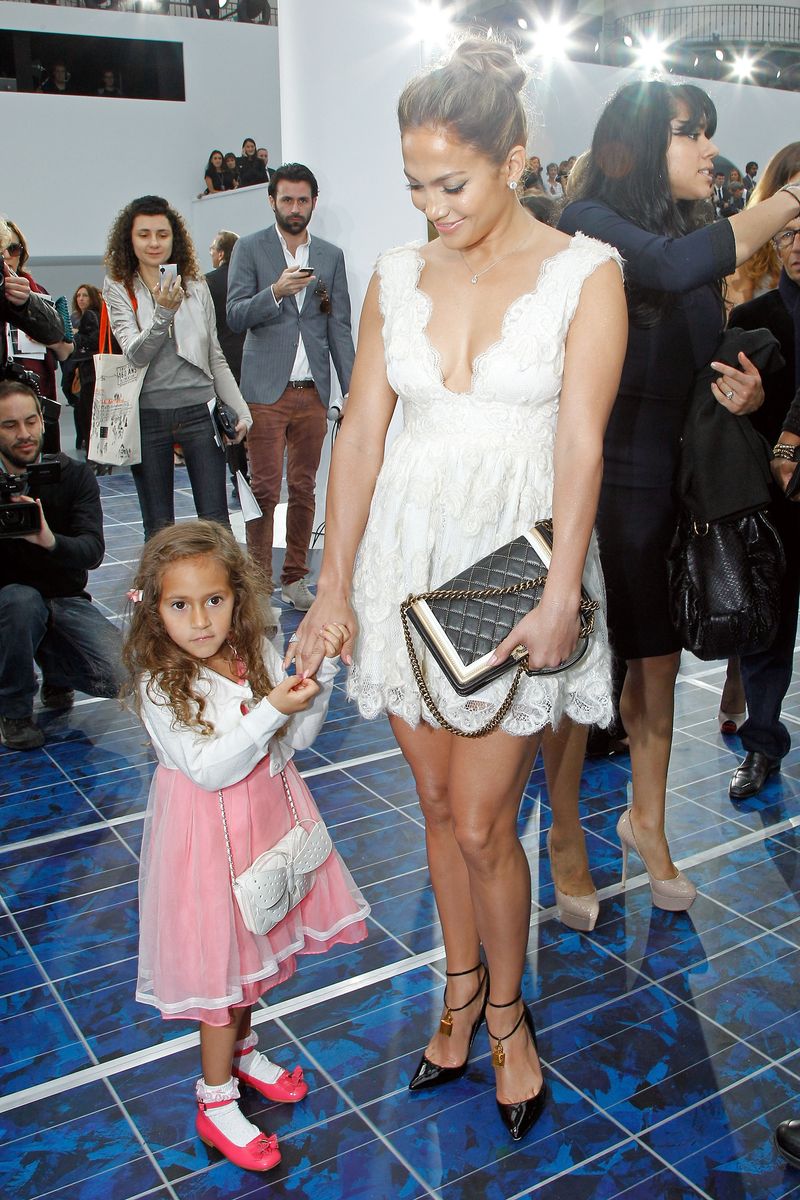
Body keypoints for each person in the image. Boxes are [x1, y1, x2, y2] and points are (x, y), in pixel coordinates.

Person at [288, 38, 627, 1142]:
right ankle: (456, 987)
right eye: (414, 186)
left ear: (514, 161)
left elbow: (580, 446)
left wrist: (564, 591)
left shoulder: (587, 274)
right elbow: (358, 437)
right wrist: (331, 586)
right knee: (435, 809)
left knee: (486, 821)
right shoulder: (393, 275)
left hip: (515, 576)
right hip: (403, 568)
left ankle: (508, 1022)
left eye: (453, 183)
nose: (432, 206)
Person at [557, 80, 800, 915]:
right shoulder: (589, 225)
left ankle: (648, 827)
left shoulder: (694, 233)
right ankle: (562, 841)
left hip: (674, 488)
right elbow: (666, 269)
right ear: (634, 146)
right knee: (580, 676)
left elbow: (704, 354)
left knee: (656, 672)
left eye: (709, 134)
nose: (707, 150)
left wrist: (746, 385)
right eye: (690, 134)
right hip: (600, 485)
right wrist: (791, 198)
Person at [123, 520, 368, 1171]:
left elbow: (297, 739)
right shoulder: (160, 682)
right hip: (204, 846)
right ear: (156, 607)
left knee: (251, 953)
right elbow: (209, 767)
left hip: (262, 828)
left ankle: (242, 1046)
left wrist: (316, 681)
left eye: (214, 600)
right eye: (180, 604)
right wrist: (271, 710)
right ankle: (215, 1099)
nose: (200, 620)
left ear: (237, 595)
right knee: (221, 976)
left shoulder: (252, 649)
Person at [226, 162, 355, 611]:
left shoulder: (331, 257)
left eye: (303, 200)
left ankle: (295, 577)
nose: (295, 208)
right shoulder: (249, 249)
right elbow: (236, 315)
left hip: (314, 393)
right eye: (287, 200)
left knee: (304, 488)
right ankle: (258, 589)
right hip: (264, 392)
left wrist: (351, 388)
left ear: (314, 203)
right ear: (272, 201)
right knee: (263, 490)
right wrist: (277, 292)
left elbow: (339, 328)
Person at [103, 194, 251, 540]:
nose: (154, 242)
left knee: (217, 524)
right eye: (144, 234)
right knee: (157, 528)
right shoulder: (119, 287)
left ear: (175, 238)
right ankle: (158, 595)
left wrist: (242, 411)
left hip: (201, 412)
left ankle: (224, 593)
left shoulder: (196, 285)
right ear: (130, 239)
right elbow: (136, 354)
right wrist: (163, 313)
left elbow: (215, 355)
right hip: (148, 414)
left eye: (162, 234)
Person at [726, 147, 800, 798]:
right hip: (774, 501)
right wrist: (749, 409)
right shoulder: (753, 320)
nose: (797, 244)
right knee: (768, 636)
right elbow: (729, 420)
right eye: (788, 230)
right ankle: (761, 744)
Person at [0, 379, 124, 751]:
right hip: (7, 607)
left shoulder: (72, 475)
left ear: (44, 420)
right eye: (9, 425)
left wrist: (48, 539)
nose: (24, 434)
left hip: (64, 600)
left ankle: (57, 667)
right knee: (19, 604)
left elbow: (92, 552)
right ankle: (15, 710)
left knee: (124, 675)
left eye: (31, 421)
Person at [2, 220, 74, 453]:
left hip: (34, 390)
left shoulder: (36, 292)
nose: (5, 256)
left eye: (12, 249)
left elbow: (62, 341)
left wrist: (26, 302)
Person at [206, 230, 247, 498]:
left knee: (230, 421)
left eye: (212, 248)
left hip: (223, 361)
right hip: (251, 357)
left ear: (221, 253)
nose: (210, 252)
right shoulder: (248, 280)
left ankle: (239, 476)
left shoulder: (207, 283)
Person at [69, 283, 103, 461]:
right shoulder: (92, 315)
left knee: (87, 412)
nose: (80, 298)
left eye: (85, 295)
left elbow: (93, 340)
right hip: (92, 368)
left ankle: (93, 453)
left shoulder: (89, 315)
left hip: (90, 369)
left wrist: (76, 335)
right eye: (78, 295)